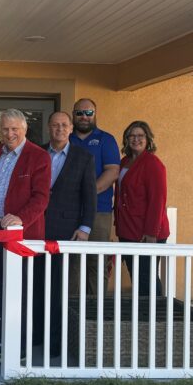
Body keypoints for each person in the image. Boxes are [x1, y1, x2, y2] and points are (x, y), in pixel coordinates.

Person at [0, 109, 51, 358]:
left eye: (15, 129)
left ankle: (20, 348)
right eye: (5, 129)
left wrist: (21, 218)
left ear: (25, 129)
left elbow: (41, 198)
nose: (10, 134)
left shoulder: (38, 156)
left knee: (22, 292)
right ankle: (0, 340)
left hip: (22, 234)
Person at [36, 111, 97, 352]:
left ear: (71, 128)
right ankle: (36, 334)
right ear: (48, 128)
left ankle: (55, 342)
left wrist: (85, 227)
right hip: (36, 229)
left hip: (66, 231)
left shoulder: (83, 157)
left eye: (64, 125)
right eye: (54, 125)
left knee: (58, 288)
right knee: (36, 284)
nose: (59, 129)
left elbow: (89, 196)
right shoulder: (38, 153)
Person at [68, 98, 121, 288]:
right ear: (73, 115)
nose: (84, 117)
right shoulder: (66, 138)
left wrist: (87, 195)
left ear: (95, 115)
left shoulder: (106, 139)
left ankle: (95, 310)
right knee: (71, 261)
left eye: (89, 113)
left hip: (99, 210)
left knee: (96, 262)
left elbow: (112, 171)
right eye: (79, 113)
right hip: (70, 211)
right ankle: (71, 309)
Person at [115, 120, 170, 297]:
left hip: (147, 233)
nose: (136, 139)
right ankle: (141, 316)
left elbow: (158, 200)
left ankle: (156, 317)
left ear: (148, 139)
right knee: (136, 276)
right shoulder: (124, 162)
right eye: (132, 136)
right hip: (128, 230)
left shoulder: (153, 164)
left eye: (140, 136)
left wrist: (151, 232)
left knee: (146, 277)